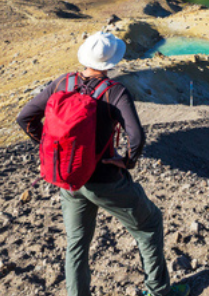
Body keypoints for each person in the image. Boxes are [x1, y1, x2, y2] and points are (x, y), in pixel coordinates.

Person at [16, 31, 187, 296]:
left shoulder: (62, 82)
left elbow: (25, 117)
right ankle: (158, 291)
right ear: (112, 62)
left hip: (69, 179)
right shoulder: (114, 92)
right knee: (150, 224)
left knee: (77, 244)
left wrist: (49, 148)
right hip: (105, 180)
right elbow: (137, 137)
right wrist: (126, 162)